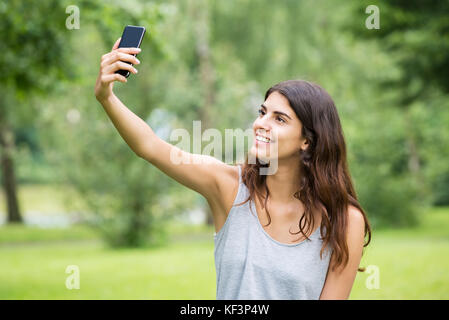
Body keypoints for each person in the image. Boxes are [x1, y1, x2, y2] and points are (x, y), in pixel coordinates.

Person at [94, 39, 372, 300]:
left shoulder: (345, 220)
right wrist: (106, 96)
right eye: (262, 113)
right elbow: (151, 147)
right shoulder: (229, 188)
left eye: (280, 119)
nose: (261, 124)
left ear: (307, 140)